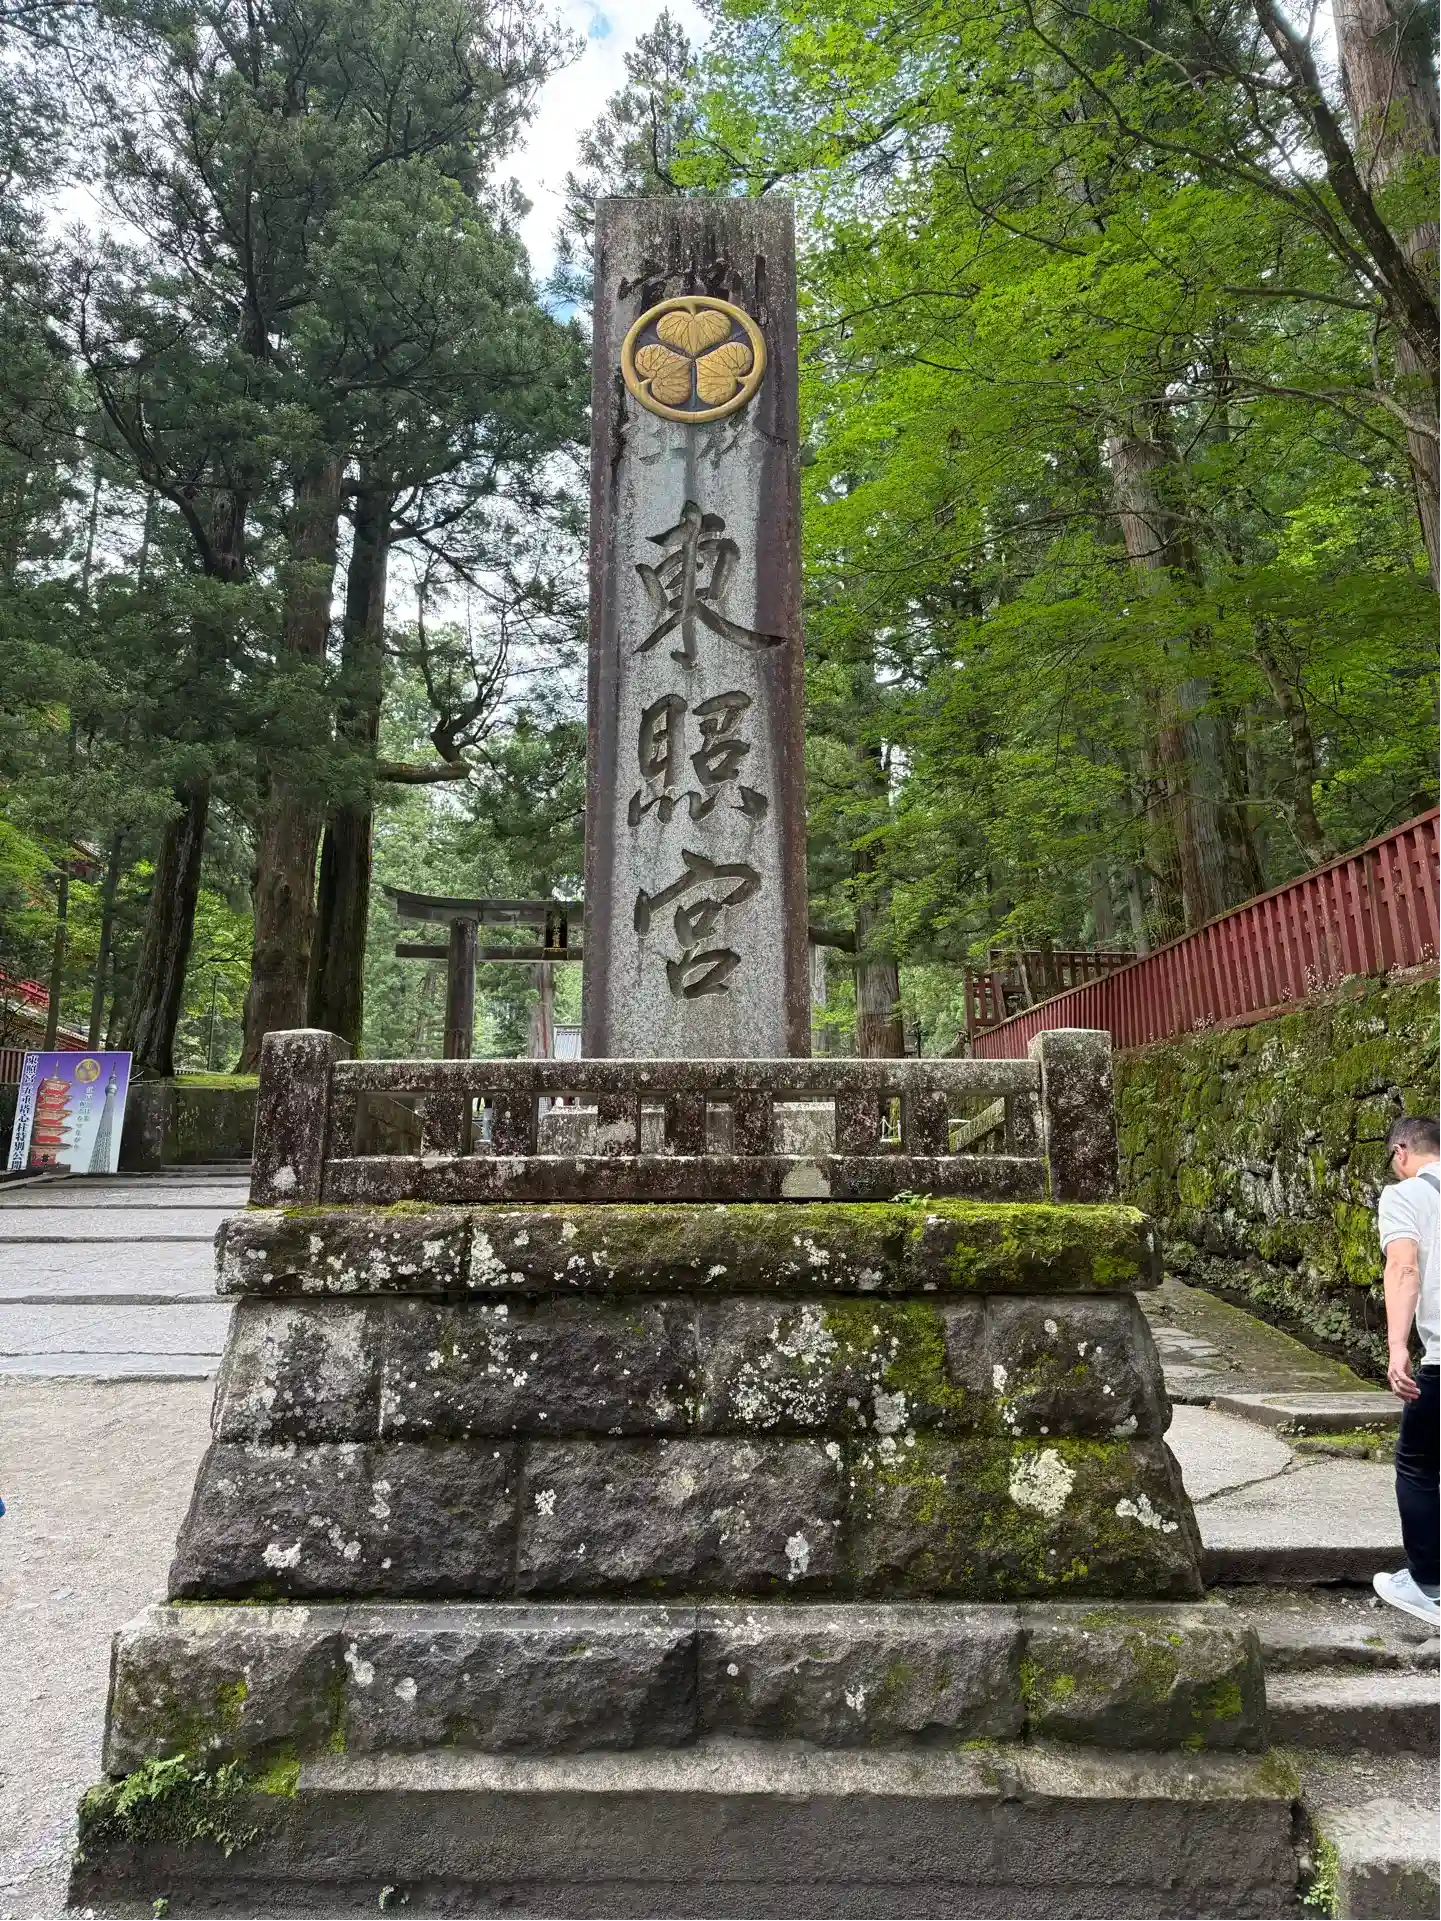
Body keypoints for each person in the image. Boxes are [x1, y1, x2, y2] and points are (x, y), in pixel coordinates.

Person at [1372, 1114, 1440, 1628]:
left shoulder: (1406, 1195)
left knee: (1417, 1465)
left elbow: (1404, 1266)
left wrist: (1398, 1347)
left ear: (1401, 1151)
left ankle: (1428, 1586)